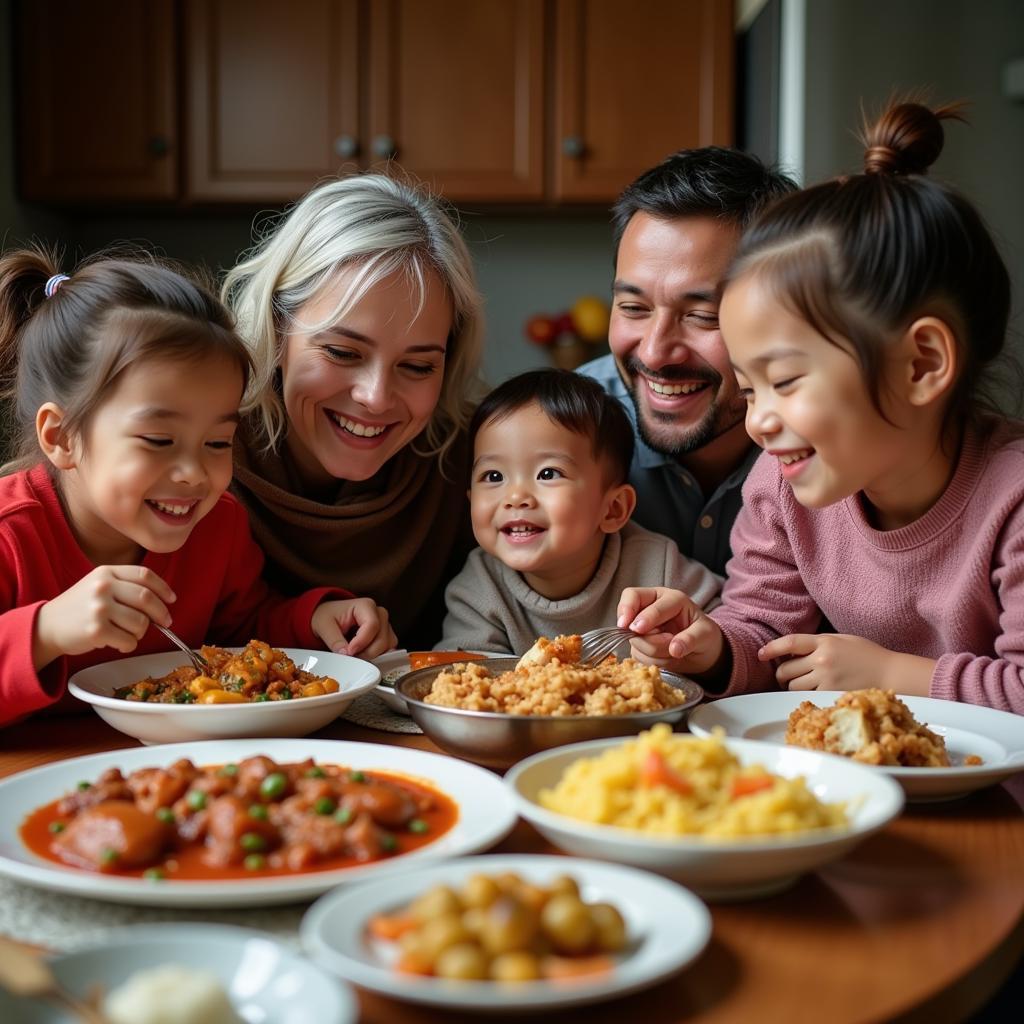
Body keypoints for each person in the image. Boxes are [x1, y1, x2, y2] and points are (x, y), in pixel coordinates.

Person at [619, 101, 1024, 714]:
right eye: (750, 390)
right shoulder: (782, 484)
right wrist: (712, 647)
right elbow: (762, 626)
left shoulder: (1012, 499)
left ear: (921, 365)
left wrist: (892, 673)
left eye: (784, 382)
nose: (759, 421)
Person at [0, 250, 395, 727]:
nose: (193, 472)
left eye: (217, 442)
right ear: (60, 437)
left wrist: (313, 619)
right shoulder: (11, 535)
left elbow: (242, 629)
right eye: (159, 440)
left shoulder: (218, 525)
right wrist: (44, 632)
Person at [222, 174, 485, 649]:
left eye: (418, 365)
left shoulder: (475, 462)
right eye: (343, 353)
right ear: (278, 328)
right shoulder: (199, 449)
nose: (376, 397)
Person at [578, 148, 797, 575]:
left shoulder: (833, 446)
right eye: (634, 308)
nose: (654, 352)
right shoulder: (561, 434)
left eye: (702, 316)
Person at [437, 369, 721, 656]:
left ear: (613, 509)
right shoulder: (479, 588)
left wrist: (701, 649)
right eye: (494, 476)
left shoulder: (657, 567)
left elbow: (731, 628)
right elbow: (461, 678)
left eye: (548, 473)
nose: (515, 497)